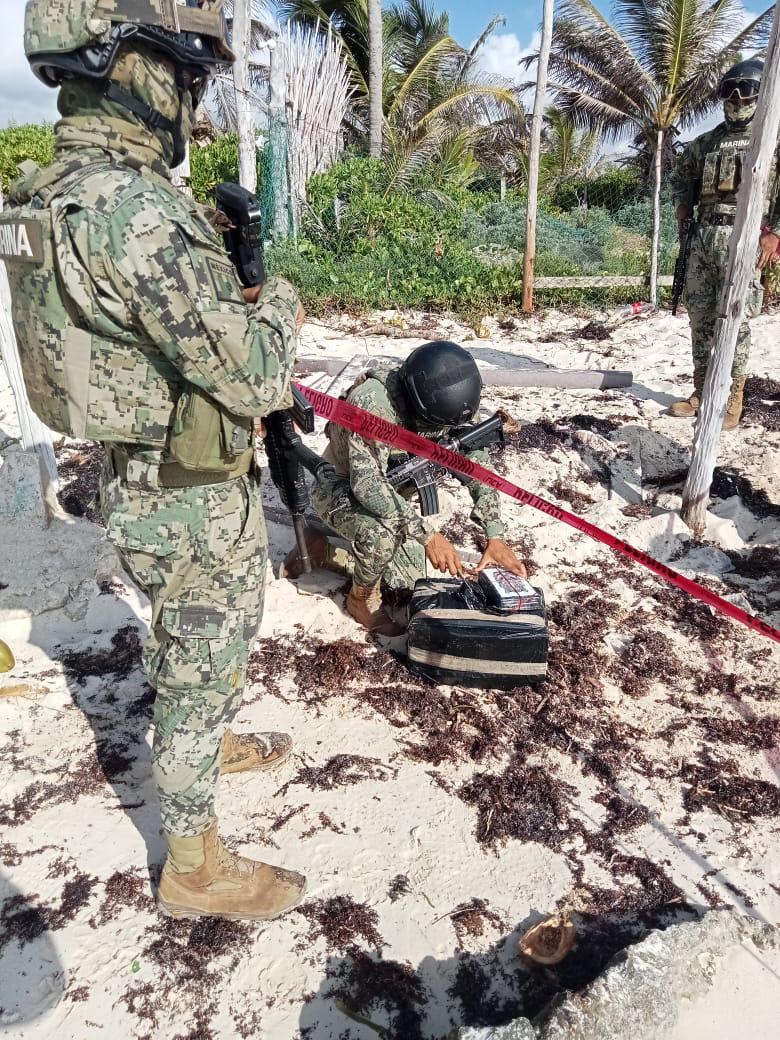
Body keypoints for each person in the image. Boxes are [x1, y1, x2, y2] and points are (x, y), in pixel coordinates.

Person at [2, 0, 306, 921]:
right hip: (186, 491)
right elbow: (255, 373)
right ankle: (195, 867)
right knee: (204, 650)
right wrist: (280, 298)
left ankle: (196, 746)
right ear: (124, 65)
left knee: (192, 641)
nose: (190, 96)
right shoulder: (131, 208)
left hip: (141, 472)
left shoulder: (58, 190)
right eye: (183, 73)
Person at [284, 341, 527, 636]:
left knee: (408, 584)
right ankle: (359, 600)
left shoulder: (454, 400)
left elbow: (477, 465)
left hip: (393, 489)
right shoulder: (373, 404)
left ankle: (324, 551)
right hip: (341, 487)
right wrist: (428, 536)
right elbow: (368, 486)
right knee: (380, 538)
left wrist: (495, 535)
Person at [669, 57, 780, 429]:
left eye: (744, 90)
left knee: (737, 318)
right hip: (702, 237)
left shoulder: (770, 140)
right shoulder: (707, 141)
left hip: (744, 236)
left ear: (759, 94)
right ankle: (701, 390)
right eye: (729, 91)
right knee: (700, 316)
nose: (736, 98)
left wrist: (775, 234)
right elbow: (680, 175)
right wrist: (682, 206)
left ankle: (733, 396)